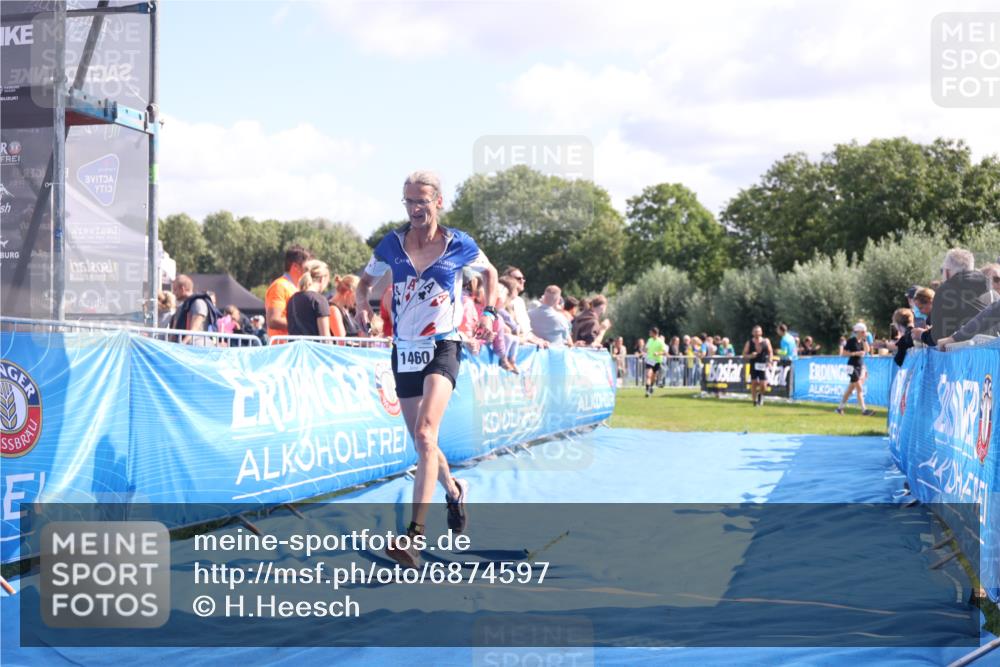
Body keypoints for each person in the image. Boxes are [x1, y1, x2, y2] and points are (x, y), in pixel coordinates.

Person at [356, 170, 498, 569]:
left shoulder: (458, 244)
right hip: (404, 351)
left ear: (438, 202)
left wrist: (486, 311)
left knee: (424, 432)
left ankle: (413, 537)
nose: (415, 209)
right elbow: (363, 284)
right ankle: (453, 490)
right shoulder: (391, 243)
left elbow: (489, 273)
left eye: (422, 201)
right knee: (425, 445)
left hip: (443, 345)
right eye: (408, 201)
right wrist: (363, 308)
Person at [930, 248, 989, 342]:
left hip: (963, 353)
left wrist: (922, 335)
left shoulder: (945, 291)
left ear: (947, 272)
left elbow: (938, 336)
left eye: (942, 270)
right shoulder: (991, 288)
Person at [265, 244, 312, 342]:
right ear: (295, 266)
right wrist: (302, 325)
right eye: (307, 267)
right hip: (282, 350)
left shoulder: (296, 288)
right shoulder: (279, 286)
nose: (309, 271)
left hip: (293, 348)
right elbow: (273, 320)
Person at [502, 266, 549, 348]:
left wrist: (539, 340)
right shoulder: (502, 301)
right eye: (518, 278)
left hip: (526, 346)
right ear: (508, 280)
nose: (522, 281)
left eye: (523, 278)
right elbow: (512, 332)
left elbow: (526, 331)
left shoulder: (520, 301)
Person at [287, 260, 332, 337]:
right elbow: (325, 336)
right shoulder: (319, 300)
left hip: (296, 348)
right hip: (314, 348)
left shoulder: (292, 299)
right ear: (322, 279)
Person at [836, 323, 874, 416]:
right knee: (859, 388)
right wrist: (855, 353)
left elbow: (867, 350)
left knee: (850, 389)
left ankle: (840, 408)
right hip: (851, 366)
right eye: (863, 332)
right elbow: (844, 353)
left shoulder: (862, 341)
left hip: (859, 366)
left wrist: (865, 340)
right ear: (859, 332)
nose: (865, 333)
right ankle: (864, 410)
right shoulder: (851, 341)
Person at [170, 274, 217, 345]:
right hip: (183, 347)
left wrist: (182, 344)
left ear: (182, 289)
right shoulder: (181, 307)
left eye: (175, 289)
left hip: (196, 348)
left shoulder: (198, 303)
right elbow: (173, 332)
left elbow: (194, 329)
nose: (173, 293)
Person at [742, 325, 772, 407]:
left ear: (761, 332)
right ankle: (754, 401)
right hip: (753, 364)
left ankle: (761, 396)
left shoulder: (766, 341)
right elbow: (744, 354)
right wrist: (750, 355)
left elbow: (770, 352)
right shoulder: (749, 342)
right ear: (752, 333)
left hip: (763, 364)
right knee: (754, 383)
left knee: (763, 384)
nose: (757, 333)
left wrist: (770, 361)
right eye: (755, 331)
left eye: (758, 331)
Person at [644, 326, 666, 397]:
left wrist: (658, 353)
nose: (649, 333)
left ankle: (651, 387)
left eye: (650, 332)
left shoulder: (660, 341)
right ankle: (647, 391)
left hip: (657, 361)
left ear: (654, 333)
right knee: (648, 375)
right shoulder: (649, 340)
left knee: (654, 377)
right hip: (650, 360)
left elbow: (664, 352)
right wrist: (643, 351)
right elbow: (646, 349)